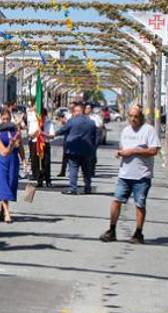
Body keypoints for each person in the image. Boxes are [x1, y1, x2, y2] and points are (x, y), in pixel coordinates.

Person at [103, 104, 161, 243]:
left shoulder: (149, 130)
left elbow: (154, 151)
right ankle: (111, 230)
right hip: (124, 174)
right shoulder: (125, 131)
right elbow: (123, 148)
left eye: (136, 116)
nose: (133, 119)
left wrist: (134, 151)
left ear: (141, 117)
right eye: (131, 116)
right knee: (116, 201)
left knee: (139, 204)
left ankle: (138, 233)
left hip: (141, 175)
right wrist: (120, 153)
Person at [54, 103, 99, 194]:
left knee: (73, 169)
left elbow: (63, 130)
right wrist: (93, 147)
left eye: (74, 111)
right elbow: (95, 137)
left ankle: (73, 188)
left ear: (77, 111)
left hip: (73, 149)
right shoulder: (91, 122)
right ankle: (88, 188)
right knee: (86, 170)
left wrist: (53, 134)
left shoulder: (72, 121)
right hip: (87, 150)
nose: (73, 113)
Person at [0, 107, 23, 223]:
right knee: (3, 183)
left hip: (13, 160)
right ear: (0, 119)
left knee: (10, 183)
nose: (5, 121)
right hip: (0, 159)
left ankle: (2, 210)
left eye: (7, 119)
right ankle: (7, 213)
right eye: (3, 119)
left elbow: (20, 146)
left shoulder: (15, 129)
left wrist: (24, 161)